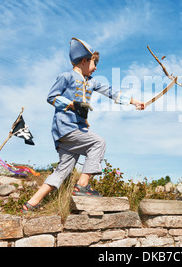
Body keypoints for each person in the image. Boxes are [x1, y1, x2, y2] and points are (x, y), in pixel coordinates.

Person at [22, 38, 144, 212]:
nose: (96, 68)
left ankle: (31, 204)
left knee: (62, 171)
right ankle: (82, 185)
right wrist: (71, 104)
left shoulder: (91, 81)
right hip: (67, 128)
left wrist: (133, 101)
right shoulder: (66, 76)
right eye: (94, 63)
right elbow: (51, 97)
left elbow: (110, 91)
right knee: (98, 142)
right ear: (84, 60)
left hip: (74, 132)